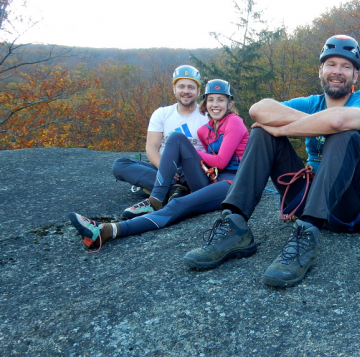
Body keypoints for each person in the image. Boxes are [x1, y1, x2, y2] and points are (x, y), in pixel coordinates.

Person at [183, 35, 360, 288]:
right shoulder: (312, 103)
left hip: (354, 207)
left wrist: (290, 126)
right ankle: (234, 224)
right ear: (321, 70)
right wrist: (307, 123)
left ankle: (306, 235)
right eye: (331, 64)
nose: (337, 71)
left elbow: (339, 122)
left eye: (346, 67)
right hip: (308, 196)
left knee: (345, 134)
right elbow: (259, 110)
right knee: (263, 131)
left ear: (355, 76)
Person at [68, 79, 248, 251]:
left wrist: (195, 153)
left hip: (232, 185)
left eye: (221, 100)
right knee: (176, 137)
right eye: (211, 100)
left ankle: (107, 231)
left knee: (178, 205)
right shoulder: (206, 130)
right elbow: (207, 159)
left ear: (229, 104)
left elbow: (222, 161)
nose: (215, 104)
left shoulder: (234, 122)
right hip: (211, 179)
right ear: (206, 103)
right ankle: (157, 198)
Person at [112, 65, 209, 198]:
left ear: (198, 91)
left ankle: (162, 187)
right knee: (120, 165)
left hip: (192, 171)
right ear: (174, 89)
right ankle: (175, 188)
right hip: (163, 167)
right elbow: (152, 147)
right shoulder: (161, 114)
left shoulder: (207, 116)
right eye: (181, 86)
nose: (186, 91)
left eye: (191, 87)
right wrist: (165, 169)